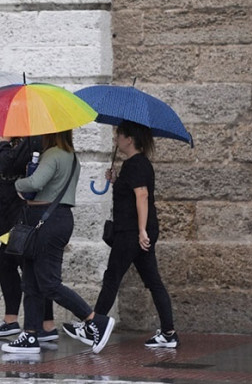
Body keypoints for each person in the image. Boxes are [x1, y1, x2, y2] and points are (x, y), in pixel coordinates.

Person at [62, 121, 179, 348]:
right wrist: (117, 181)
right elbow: (132, 193)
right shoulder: (137, 164)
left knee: (112, 278)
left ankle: (93, 326)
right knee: (153, 282)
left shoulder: (135, 164)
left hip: (131, 233)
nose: (116, 139)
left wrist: (142, 230)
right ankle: (168, 332)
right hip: (135, 232)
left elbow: (142, 196)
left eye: (118, 135)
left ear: (129, 139)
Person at [1, 130, 115, 355]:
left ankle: (94, 320)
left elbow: (35, 182)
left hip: (47, 221)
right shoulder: (71, 156)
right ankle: (30, 334)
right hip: (53, 219)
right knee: (31, 282)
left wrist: (16, 183)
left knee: (49, 283)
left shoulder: (53, 154)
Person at [0, 137, 58, 342]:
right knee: (9, 263)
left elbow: (8, 163)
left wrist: (1, 147)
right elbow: (6, 166)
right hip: (12, 216)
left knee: (30, 268)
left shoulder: (32, 141)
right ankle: (24, 322)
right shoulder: (19, 144)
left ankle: (44, 325)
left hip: (23, 216)